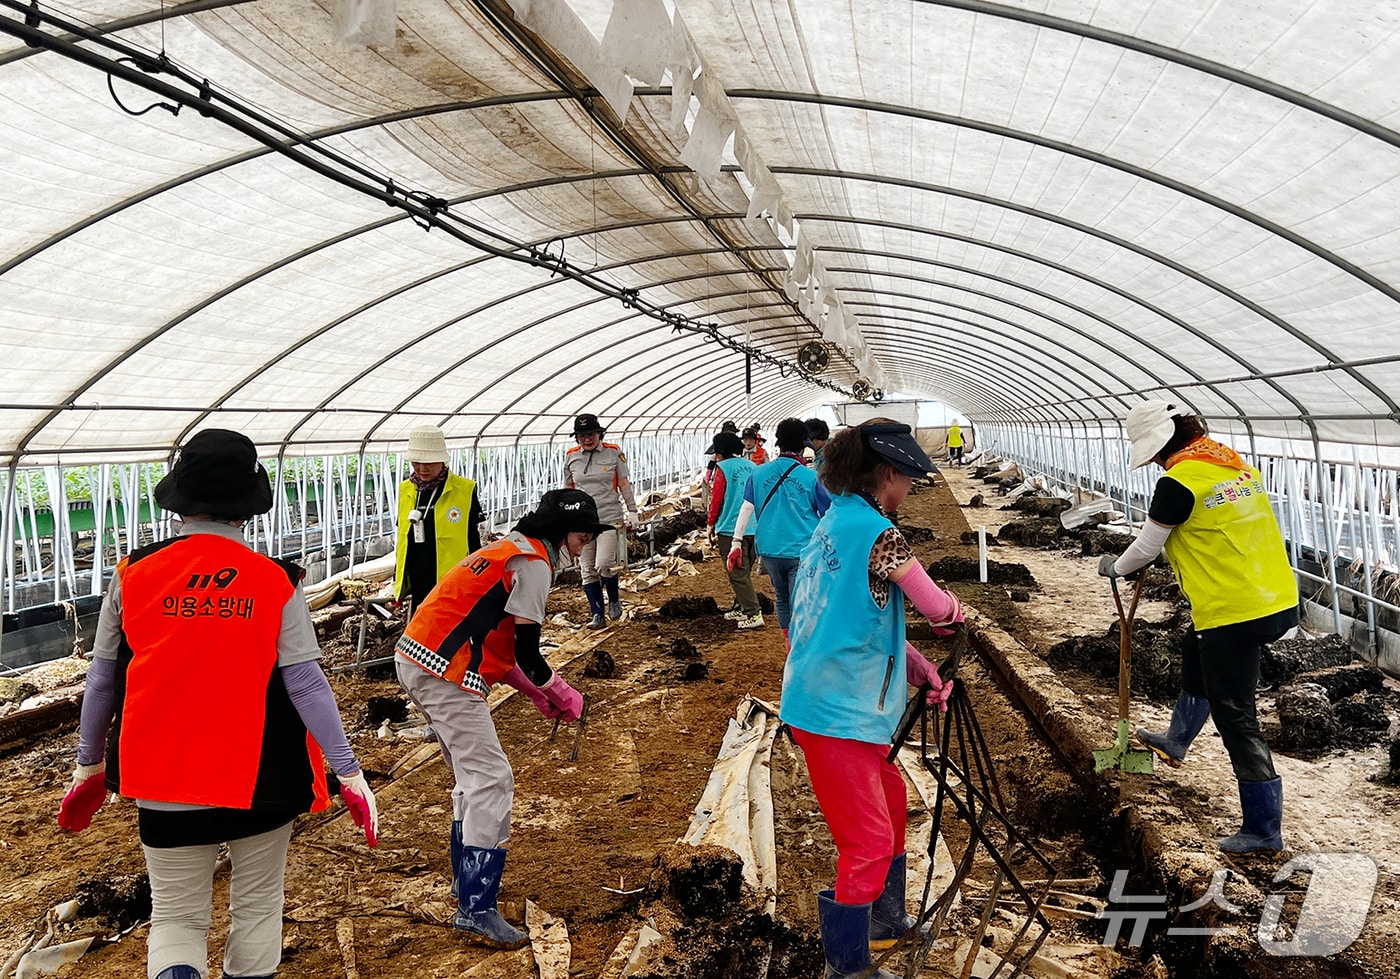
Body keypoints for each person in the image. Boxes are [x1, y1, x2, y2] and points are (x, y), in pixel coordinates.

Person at [57, 429, 377, 979]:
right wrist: (348, 771)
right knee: (257, 907)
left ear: (180, 500)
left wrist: (89, 764)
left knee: (177, 918)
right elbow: (305, 682)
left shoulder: (133, 574)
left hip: (163, 776)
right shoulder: (277, 580)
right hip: (262, 777)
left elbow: (104, 678)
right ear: (247, 507)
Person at [781, 419, 963, 979]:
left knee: (890, 799)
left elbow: (857, 617)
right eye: (906, 478)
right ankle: (846, 966)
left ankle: (885, 918)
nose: (908, 488)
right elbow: (935, 606)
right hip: (836, 709)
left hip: (832, 695)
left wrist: (920, 668)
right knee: (867, 841)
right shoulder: (881, 534)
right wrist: (955, 614)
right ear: (885, 475)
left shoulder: (834, 521)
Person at [395, 489, 598, 948]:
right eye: (581, 537)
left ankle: (464, 885)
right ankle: (476, 906)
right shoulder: (534, 563)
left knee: (472, 778)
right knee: (492, 780)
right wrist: (560, 691)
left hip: (417, 657)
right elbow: (528, 652)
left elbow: (500, 647)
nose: (582, 547)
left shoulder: (507, 550)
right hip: (445, 670)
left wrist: (536, 692)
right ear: (560, 533)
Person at [1098, 401, 1299, 854]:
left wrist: (1114, 567)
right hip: (1274, 597)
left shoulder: (1178, 482)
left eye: (1152, 453)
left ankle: (1263, 829)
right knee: (1194, 646)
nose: (1154, 462)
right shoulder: (1232, 466)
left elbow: (1146, 548)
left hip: (1234, 610)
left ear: (1163, 444)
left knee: (1236, 716)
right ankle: (1177, 739)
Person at [727, 417, 831, 645]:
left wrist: (736, 543)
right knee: (801, 602)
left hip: (770, 550)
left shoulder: (758, 474)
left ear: (778, 443)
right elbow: (827, 515)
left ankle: (789, 644)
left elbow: (746, 508)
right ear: (803, 446)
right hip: (801, 550)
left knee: (782, 598)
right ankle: (801, 647)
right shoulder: (812, 478)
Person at [562, 413, 641, 628]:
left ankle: (614, 599)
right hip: (582, 521)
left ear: (599, 434)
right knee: (587, 568)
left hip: (608, 518)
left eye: (591, 435)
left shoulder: (613, 453)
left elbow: (623, 483)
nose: (586, 439)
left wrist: (632, 511)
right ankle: (597, 614)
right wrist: (565, 514)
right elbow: (568, 487)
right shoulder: (571, 456)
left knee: (604, 563)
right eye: (581, 436)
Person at [395, 425, 484, 612]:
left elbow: (473, 540)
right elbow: (402, 537)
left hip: (452, 578)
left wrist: (477, 578)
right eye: (416, 462)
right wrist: (399, 580)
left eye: (429, 462)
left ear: (442, 460)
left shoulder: (464, 489)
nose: (422, 469)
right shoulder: (406, 489)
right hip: (418, 577)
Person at [706, 431, 763, 629]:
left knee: (737, 574)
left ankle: (753, 613)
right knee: (744, 572)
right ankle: (740, 607)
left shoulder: (722, 468)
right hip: (754, 527)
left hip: (730, 528)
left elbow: (717, 499)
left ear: (720, 452)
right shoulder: (752, 466)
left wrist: (710, 524)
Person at [701, 421, 739, 512]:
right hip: (720, 477)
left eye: (732, 432)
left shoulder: (737, 446)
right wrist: (707, 478)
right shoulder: (718, 446)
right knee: (719, 499)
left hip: (734, 478)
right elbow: (711, 463)